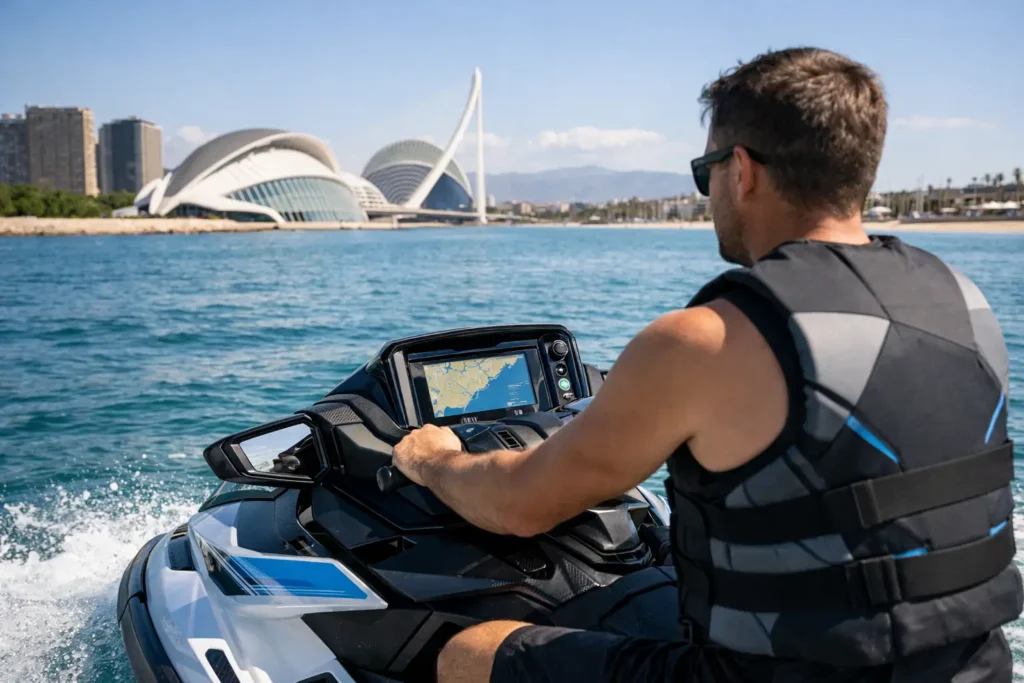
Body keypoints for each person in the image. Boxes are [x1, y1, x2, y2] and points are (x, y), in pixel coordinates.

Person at [393, 47, 1020, 683]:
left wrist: (432, 459)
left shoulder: (710, 339)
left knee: (467, 649)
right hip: (974, 668)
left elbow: (519, 506)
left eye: (704, 172)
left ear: (741, 170)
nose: (709, 193)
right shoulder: (966, 302)